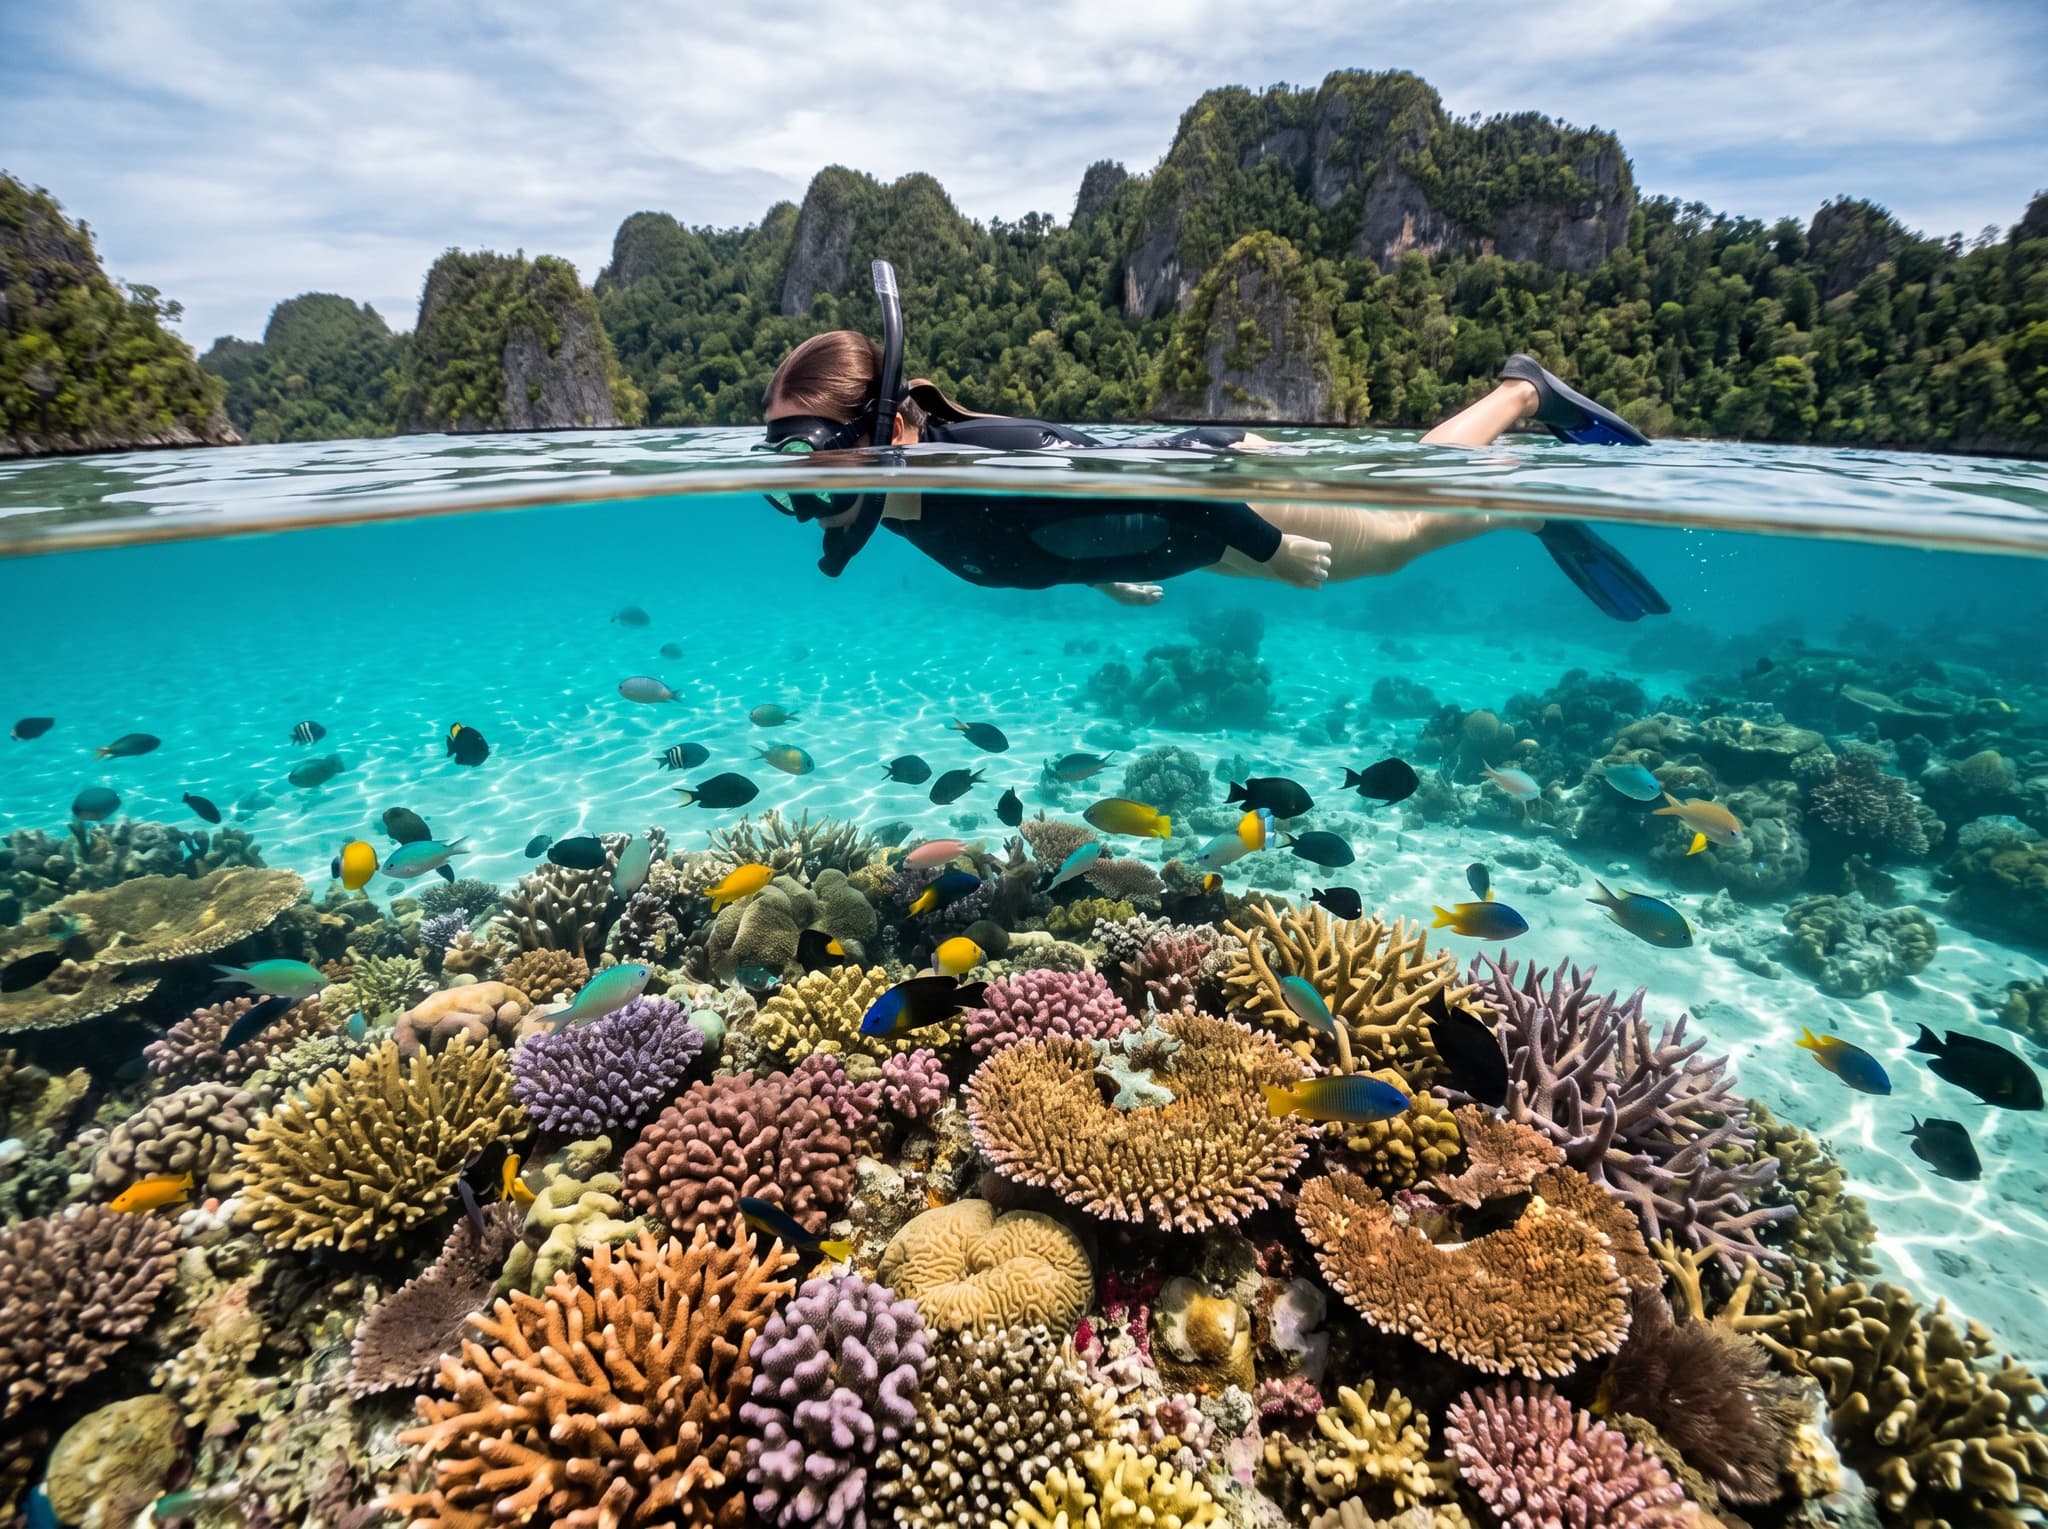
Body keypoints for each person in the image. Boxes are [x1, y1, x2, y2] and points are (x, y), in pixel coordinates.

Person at [759, 265, 1665, 619]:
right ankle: (1521, 501)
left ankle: (1521, 402)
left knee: (1396, 533)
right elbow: (1051, 521)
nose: (802, 493)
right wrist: (1102, 566)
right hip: (1191, 537)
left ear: (886, 426)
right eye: (783, 460)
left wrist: (1267, 543)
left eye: (812, 451)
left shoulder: (982, 457)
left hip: (1222, 494)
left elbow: (1155, 473)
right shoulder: (904, 502)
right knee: (1400, 524)